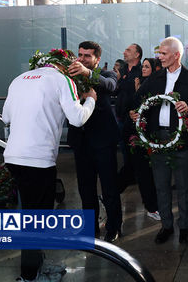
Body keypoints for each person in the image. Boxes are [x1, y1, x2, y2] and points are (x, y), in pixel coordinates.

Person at [3, 50, 96, 282]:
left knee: (30, 215)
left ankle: (36, 267)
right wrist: (91, 98)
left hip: (14, 157)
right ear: (64, 66)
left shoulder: (19, 79)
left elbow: (6, 117)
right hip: (38, 160)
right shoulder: (61, 80)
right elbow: (77, 118)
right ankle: (30, 276)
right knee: (37, 221)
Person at [129, 37, 188, 245]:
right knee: (161, 185)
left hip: (181, 140)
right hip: (157, 139)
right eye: (159, 53)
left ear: (176, 55)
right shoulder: (154, 78)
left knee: (183, 186)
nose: (159, 57)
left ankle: (185, 227)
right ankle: (166, 225)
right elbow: (139, 101)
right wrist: (136, 114)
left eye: (163, 54)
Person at [67, 41, 122, 243]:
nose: (81, 59)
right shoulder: (69, 76)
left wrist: (87, 74)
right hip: (80, 142)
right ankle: (89, 229)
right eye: (80, 55)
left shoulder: (107, 75)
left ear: (97, 59)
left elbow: (110, 86)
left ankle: (114, 227)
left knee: (109, 188)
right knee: (85, 188)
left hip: (103, 141)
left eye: (87, 56)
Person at [124, 58, 161, 221]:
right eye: (143, 66)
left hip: (152, 134)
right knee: (140, 170)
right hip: (136, 134)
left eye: (147, 66)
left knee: (136, 170)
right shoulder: (137, 83)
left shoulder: (156, 85)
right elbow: (128, 105)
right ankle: (151, 207)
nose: (144, 69)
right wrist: (131, 112)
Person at [115, 43, 143, 193]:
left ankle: (132, 177)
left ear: (137, 54)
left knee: (134, 150)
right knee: (125, 149)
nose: (124, 52)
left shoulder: (142, 71)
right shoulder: (123, 70)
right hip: (121, 117)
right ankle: (130, 177)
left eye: (128, 50)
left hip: (134, 118)